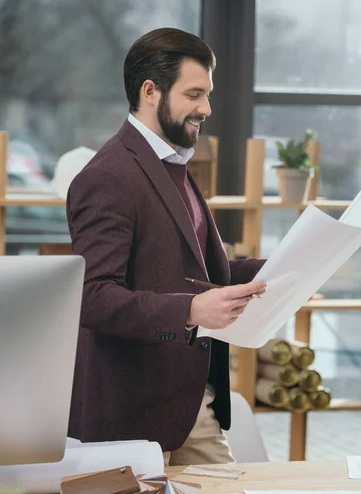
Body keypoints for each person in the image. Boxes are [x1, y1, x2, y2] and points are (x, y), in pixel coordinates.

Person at [66, 27, 266, 465]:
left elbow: (193, 272)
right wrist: (191, 311)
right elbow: (92, 297)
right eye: (194, 94)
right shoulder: (108, 177)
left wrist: (285, 268)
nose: (206, 108)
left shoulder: (173, 165)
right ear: (150, 91)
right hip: (133, 413)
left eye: (207, 94)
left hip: (191, 400)